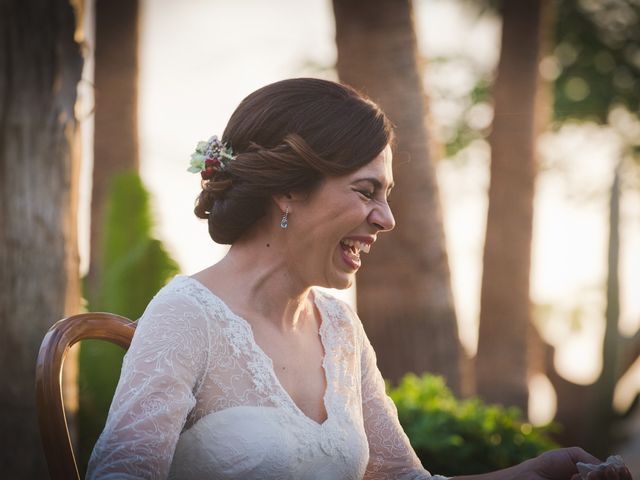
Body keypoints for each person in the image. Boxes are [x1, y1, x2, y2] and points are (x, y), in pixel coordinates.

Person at [86, 78, 632, 480]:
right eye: (366, 191)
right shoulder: (186, 315)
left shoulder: (339, 329)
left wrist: (538, 472)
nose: (386, 218)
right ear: (288, 191)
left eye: (387, 195)